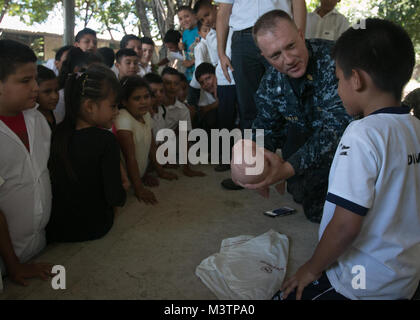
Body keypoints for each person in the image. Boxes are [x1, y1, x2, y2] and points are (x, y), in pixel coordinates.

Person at [280, 18, 420, 300]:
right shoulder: (415, 127)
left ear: (356, 79)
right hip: (406, 277)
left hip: (361, 282)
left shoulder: (361, 134)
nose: (338, 87)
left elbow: (345, 225)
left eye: (337, 78)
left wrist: (311, 268)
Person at [236, 10, 352, 223]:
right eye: (275, 55)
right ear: (265, 57)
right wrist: (251, 160)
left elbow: (338, 129)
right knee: (302, 195)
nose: (288, 60)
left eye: (290, 46)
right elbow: (265, 126)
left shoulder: (334, 61)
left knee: (331, 215)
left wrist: (287, 169)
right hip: (308, 141)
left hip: (352, 149)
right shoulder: (271, 82)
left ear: (300, 34)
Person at [47, 64, 126, 242]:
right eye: (113, 106)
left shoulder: (57, 134)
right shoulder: (106, 140)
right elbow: (114, 195)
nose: (117, 112)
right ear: (90, 106)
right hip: (94, 227)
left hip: (58, 230)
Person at [0, 39, 55, 285]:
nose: (35, 87)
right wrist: (14, 266)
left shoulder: (38, 120)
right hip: (7, 262)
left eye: (34, 78)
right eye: (25, 81)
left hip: (38, 246)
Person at [116, 76, 178, 205]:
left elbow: (151, 146)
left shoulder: (146, 114)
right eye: (137, 98)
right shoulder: (123, 119)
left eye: (146, 96)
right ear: (124, 101)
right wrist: (139, 188)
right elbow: (130, 158)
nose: (144, 102)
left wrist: (160, 171)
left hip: (140, 175)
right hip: (127, 181)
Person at [161, 67, 206, 177]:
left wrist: (186, 167)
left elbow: (183, 137)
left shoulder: (182, 109)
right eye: (167, 83)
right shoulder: (152, 105)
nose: (172, 87)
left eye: (176, 84)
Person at [144, 73, 167, 143]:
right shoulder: (143, 115)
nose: (159, 95)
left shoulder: (162, 110)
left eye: (161, 91)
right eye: (154, 92)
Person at [177, 6, 199, 82]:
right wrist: (181, 48)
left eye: (186, 16)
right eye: (180, 19)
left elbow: (208, 50)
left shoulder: (202, 29)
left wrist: (192, 62)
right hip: (190, 75)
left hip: (202, 72)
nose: (184, 21)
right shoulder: (185, 33)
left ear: (195, 15)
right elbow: (187, 52)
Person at [36, 65, 59, 131]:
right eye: (47, 92)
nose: (55, 96)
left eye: (56, 90)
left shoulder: (56, 116)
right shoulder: (31, 121)